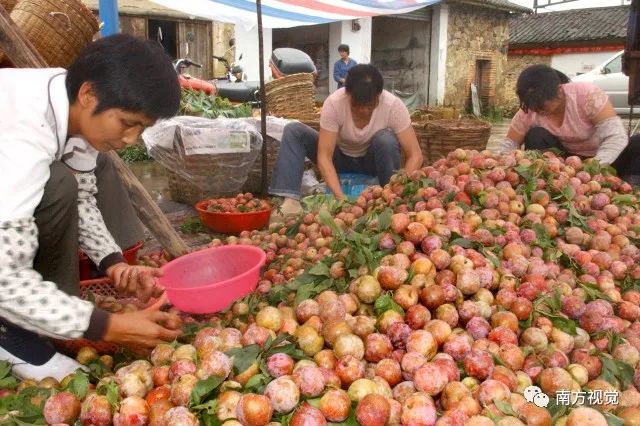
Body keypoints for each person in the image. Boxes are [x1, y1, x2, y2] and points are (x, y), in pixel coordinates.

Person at [0, 34, 182, 380]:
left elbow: (81, 199)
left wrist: (114, 264)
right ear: (89, 95)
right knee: (54, 184)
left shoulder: (76, 110)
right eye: (128, 123)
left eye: (141, 129)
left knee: (62, 185)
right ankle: (9, 333)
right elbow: (3, 276)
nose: (131, 139)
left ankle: (47, 316)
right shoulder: (24, 128)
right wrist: (105, 326)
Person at [269, 64, 423, 218]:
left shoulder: (393, 106)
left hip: (372, 162)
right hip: (339, 159)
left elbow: (415, 155)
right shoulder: (335, 103)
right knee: (294, 130)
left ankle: (388, 201)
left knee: (386, 140)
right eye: (357, 105)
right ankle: (290, 202)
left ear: (379, 95)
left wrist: (397, 190)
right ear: (347, 94)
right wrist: (340, 198)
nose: (363, 111)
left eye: (369, 106)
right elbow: (324, 156)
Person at [494, 64, 640, 184]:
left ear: (559, 90)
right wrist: (496, 166)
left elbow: (616, 137)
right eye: (534, 108)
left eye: (542, 107)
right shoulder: (529, 110)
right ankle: (546, 184)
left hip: (603, 159)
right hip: (562, 166)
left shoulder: (587, 96)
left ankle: (631, 188)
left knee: (637, 143)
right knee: (535, 135)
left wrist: (592, 167)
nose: (538, 112)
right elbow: (509, 145)